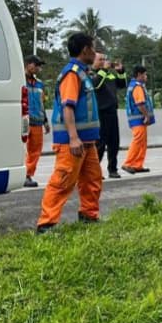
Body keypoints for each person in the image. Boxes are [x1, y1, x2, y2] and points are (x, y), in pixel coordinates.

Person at [36, 32, 103, 233]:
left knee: (92, 179)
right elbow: (68, 107)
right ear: (85, 50)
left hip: (87, 141)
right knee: (63, 181)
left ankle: (89, 215)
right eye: (93, 48)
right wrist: (73, 138)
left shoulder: (83, 73)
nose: (95, 52)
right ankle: (46, 224)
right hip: (72, 141)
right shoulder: (72, 74)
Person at [92, 54, 126, 179]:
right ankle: (95, 170)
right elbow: (96, 85)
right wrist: (104, 70)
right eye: (100, 60)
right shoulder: (93, 74)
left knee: (114, 142)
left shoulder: (109, 75)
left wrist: (121, 71)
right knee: (100, 144)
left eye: (104, 59)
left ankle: (112, 169)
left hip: (112, 111)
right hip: (101, 112)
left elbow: (122, 84)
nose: (103, 62)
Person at [121, 65, 155, 174]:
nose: (146, 77)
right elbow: (140, 104)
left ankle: (137, 165)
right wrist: (146, 115)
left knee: (142, 142)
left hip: (138, 119)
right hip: (138, 119)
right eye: (145, 74)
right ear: (139, 75)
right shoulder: (137, 87)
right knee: (138, 140)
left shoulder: (135, 86)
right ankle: (128, 163)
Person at [23, 55, 49, 188]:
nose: (39, 68)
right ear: (28, 65)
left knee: (35, 150)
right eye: (36, 65)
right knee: (22, 150)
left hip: (38, 122)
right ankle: (21, 174)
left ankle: (27, 174)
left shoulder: (40, 84)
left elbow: (42, 104)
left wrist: (45, 121)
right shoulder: (20, 81)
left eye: (40, 65)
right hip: (24, 121)